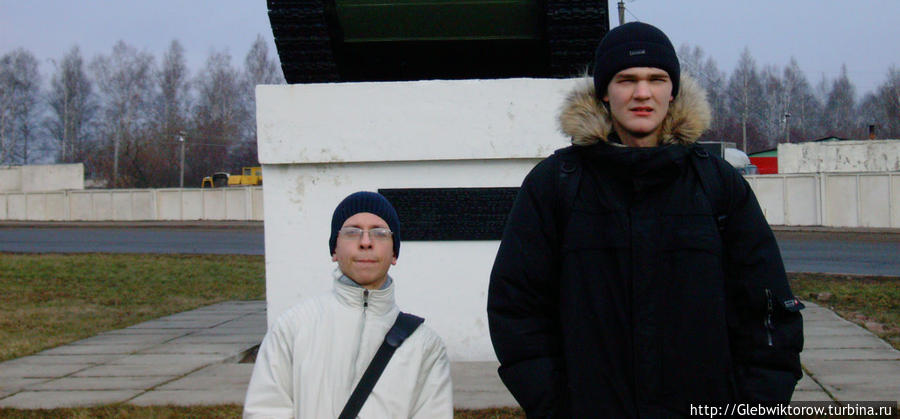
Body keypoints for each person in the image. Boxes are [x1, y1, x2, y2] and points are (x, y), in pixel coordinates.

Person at [487, 22, 803, 417]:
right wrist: (557, 405)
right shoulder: (555, 186)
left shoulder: (717, 185)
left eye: (656, 79)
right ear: (604, 91)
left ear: (673, 91)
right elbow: (516, 308)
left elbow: (767, 309)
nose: (642, 93)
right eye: (626, 79)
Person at [244, 191, 453, 418]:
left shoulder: (425, 347)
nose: (365, 242)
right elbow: (265, 411)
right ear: (334, 249)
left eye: (379, 233)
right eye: (352, 232)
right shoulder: (292, 329)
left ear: (394, 253)